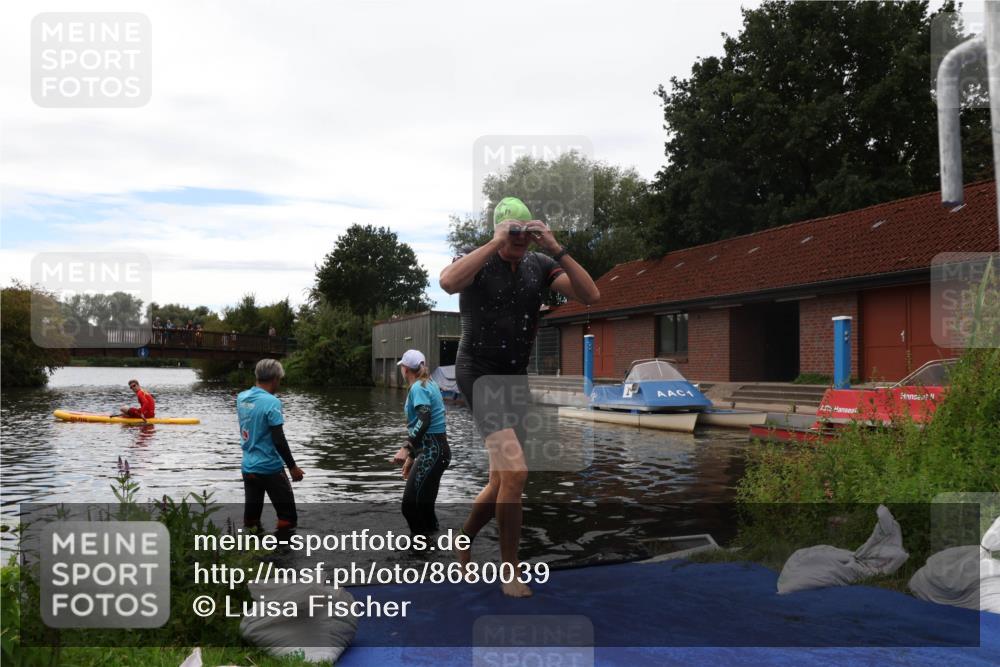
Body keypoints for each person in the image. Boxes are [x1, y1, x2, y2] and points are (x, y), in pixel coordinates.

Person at [439, 196, 600, 597]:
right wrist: (494, 242)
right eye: (513, 233)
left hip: (513, 378)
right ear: (498, 231)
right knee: (516, 474)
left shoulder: (539, 264)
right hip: (477, 371)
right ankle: (509, 569)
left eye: (525, 234)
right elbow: (447, 282)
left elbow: (590, 295)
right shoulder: (478, 260)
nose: (519, 241)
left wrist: (554, 246)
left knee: (502, 479)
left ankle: (463, 540)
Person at [237, 359, 304, 532]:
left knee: (251, 519)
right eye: (279, 380)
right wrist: (292, 467)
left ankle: (251, 554)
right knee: (288, 519)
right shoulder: (272, 402)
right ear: (275, 379)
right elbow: (278, 439)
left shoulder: (241, 398)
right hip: (269, 468)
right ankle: (282, 556)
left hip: (248, 467)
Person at [390, 349, 450, 535]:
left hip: (432, 452)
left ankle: (420, 552)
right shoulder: (429, 384)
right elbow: (422, 425)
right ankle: (432, 548)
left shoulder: (418, 387)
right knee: (424, 508)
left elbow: (425, 420)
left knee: (410, 507)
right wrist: (412, 458)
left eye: (402, 367)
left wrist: (406, 448)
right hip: (437, 451)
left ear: (405, 369)